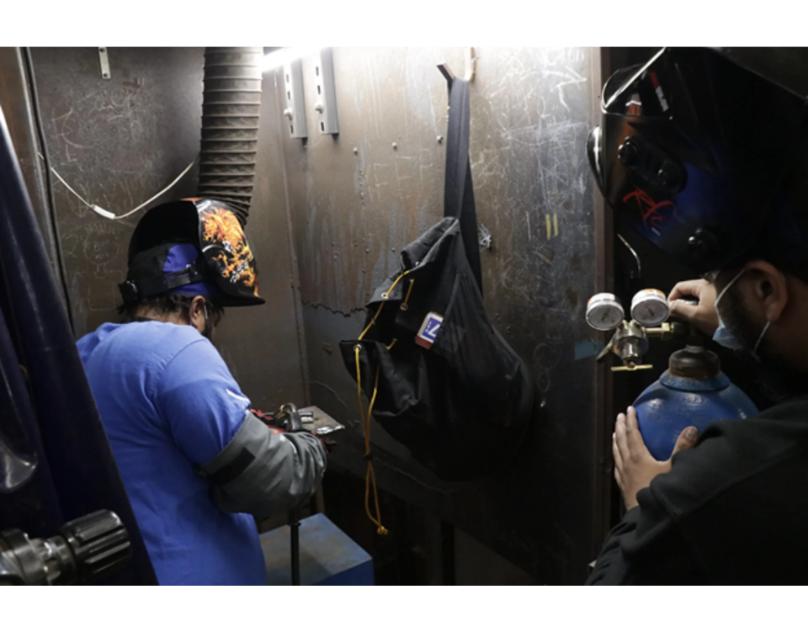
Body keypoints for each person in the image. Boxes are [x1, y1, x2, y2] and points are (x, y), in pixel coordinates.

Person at [585, 47, 808, 583]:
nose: (712, 287)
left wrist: (649, 508)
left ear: (768, 289)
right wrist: (739, 316)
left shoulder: (708, 492)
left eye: (718, 277)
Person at [77, 198, 327, 585]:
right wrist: (310, 444)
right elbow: (269, 481)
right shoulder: (178, 348)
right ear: (197, 309)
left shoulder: (88, 350)